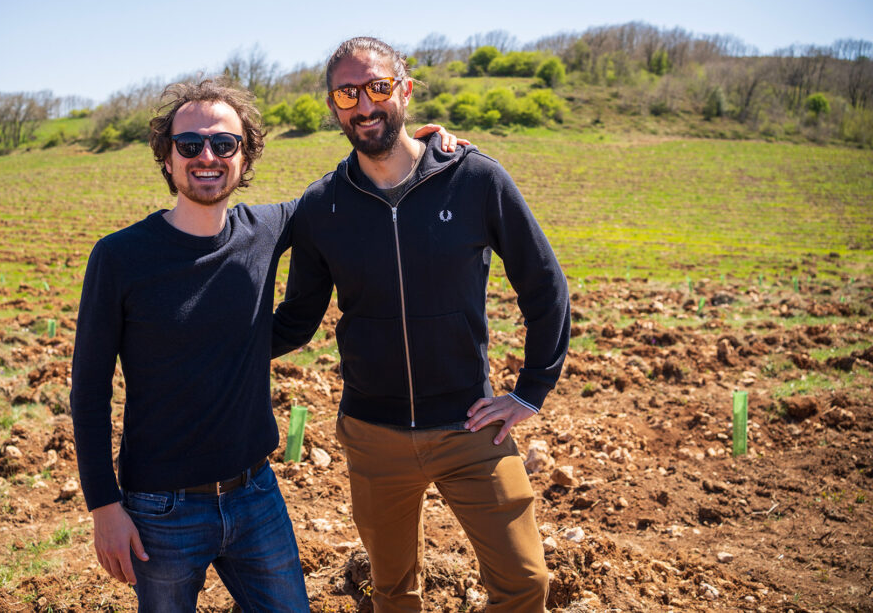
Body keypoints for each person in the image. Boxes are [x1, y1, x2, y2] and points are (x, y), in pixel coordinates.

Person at [70, 77, 461, 611]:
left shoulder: (268, 227)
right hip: (160, 509)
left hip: (256, 495)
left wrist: (422, 151)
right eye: (189, 145)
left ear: (245, 156)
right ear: (166, 159)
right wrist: (104, 507)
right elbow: (89, 392)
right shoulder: (118, 257)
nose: (207, 156)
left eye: (224, 144)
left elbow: (344, 192)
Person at [272, 37, 571, 613]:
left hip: (471, 427)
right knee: (391, 593)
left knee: (525, 585)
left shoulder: (475, 178)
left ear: (404, 90)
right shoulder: (323, 206)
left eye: (379, 87)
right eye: (347, 93)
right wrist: (211, 342)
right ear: (333, 106)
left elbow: (544, 284)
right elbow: (296, 321)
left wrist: (529, 394)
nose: (364, 105)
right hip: (373, 434)